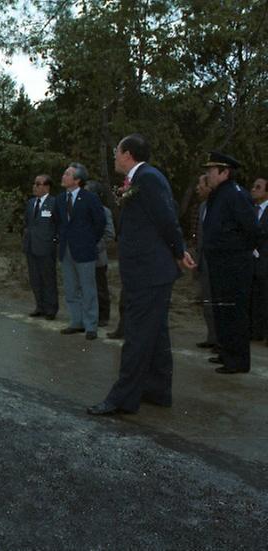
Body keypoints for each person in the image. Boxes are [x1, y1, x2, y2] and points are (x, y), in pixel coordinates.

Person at [88, 133, 195, 415]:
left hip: (150, 273)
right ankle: (157, 391)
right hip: (147, 272)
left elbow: (167, 218)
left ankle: (122, 398)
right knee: (156, 334)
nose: (114, 157)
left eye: (116, 152)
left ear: (128, 155)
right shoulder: (139, 179)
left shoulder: (148, 177)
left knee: (136, 335)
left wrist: (178, 249)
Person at [202, 152, 260, 373]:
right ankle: (226, 353)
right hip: (220, 263)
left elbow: (253, 230)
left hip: (234, 265)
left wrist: (237, 253)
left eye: (211, 170)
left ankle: (237, 361)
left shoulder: (235, 194)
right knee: (222, 312)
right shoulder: (219, 194)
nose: (208, 174)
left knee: (234, 313)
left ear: (224, 172)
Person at [54, 163, 106, 340]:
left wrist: (90, 241)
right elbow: (58, 223)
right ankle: (76, 322)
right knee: (70, 289)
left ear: (77, 180)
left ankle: (91, 325)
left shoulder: (90, 198)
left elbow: (100, 223)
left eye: (67, 174)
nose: (63, 176)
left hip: (84, 250)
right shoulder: (60, 199)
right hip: (66, 250)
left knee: (88, 289)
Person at [22, 174, 58, 320]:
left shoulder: (54, 203)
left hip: (46, 247)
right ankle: (40, 306)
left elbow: (58, 224)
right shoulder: (31, 203)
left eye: (38, 184)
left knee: (48, 279)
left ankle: (51, 309)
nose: (35, 186)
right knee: (35, 278)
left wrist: (54, 240)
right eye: (35, 183)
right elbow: (27, 223)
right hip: (31, 246)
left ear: (47, 187)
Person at [85, 180, 115, 327]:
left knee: (100, 288)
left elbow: (109, 234)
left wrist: (94, 247)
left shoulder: (104, 212)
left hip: (97, 257)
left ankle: (103, 316)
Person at [193, 175, 217, 350]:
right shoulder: (202, 207)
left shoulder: (219, 207)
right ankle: (212, 337)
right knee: (207, 303)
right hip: (204, 262)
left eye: (200, 185)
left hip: (217, 263)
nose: (197, 188)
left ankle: (220, 340)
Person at [249, 177, 268, 344]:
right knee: (253, 297)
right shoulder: (250, 210)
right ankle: (255, 331)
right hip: (251, 262)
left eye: (258, 187)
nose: (254, 190)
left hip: (265, 261)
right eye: (253, 186)